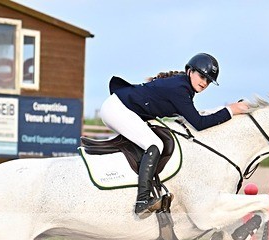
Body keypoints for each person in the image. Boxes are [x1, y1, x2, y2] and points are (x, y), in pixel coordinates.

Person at [99, 53, 250, 218]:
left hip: (123, 108)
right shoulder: (180, 89)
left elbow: (195, 116)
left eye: (208, 81)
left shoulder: (183, 87)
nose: (204, 83)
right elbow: (199, 123)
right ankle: (142, 201)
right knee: (155, 144)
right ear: (190, 71)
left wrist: (229, 109)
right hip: (116, 109)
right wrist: (230, 110)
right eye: (202, 76)